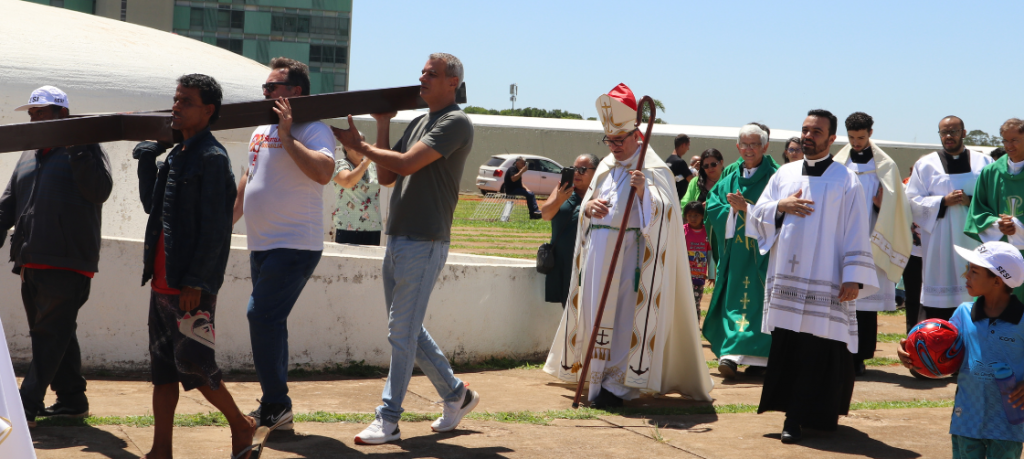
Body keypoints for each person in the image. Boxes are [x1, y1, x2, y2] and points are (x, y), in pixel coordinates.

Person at [332, 53, 479, 445]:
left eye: (431, 73)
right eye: (423, 71)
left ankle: (389, 418)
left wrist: (360, 143)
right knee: (406, 330)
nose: (422, 77)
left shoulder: (455, 122)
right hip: (399, 237)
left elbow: (408, 164)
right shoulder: (418, 122)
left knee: (402, 331)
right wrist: (382, 125)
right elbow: (386, 175)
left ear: (453, 82)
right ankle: (456, 394)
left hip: (425, 239)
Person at [543, 83, 713, 409]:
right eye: (609, 140)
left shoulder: (654, 169)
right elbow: (589, 209)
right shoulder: (605, 168)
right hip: (598, 257)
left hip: (633, 259)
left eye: (619, 140)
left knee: (623, 320)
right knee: (596, 314)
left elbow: (664, 215)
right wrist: (589, 210)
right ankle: (593, 376)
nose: (614, 147)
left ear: (637, 134)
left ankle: (619, 385)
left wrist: (642, 192)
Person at [133, 74, 256, 459]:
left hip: (188, 287)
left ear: (208, 110)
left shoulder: (212, 159)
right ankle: (160, 450)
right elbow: (154, 208)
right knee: (164, 372)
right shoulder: (178, 154)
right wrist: (147, 163)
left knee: (198, 367)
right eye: (175, 99)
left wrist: (198, 282)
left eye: (186, 101)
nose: (176, 106)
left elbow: (216, 230)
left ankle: (242, 425)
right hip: (161, 283)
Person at [747, 109, 879, 443]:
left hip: (827, 278)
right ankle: (791, 416)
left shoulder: (846, 179)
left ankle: (819, 412)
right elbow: (758, 216)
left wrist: (853, 277)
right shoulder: (784, 174)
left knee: (820, 348)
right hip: (788, 278)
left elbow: (856, 231)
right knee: (790, 344)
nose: (808, 136)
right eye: (805, 130)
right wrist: (780, 207)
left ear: (832, 138)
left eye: (816, 131)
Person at [232, 57, 337, 433]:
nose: (265, 93)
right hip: (261, 245)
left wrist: (289, 134)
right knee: (271, 322)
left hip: (295, 245)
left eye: (271, 87)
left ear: (295, 92)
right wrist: (224, 223)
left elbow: (324, 172)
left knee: (260, 316)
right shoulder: (261, 129)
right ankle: (277, 408)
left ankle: (276, 403)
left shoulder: (314, 129)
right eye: (265, 87)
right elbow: (250, 176)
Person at [0, 86, 112, 428]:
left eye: (41, 114)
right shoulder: (29, 154)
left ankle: (24, 409)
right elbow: (8, 205)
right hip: (30, 260)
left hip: (67, 261)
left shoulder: (86, 146)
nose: (34, 120)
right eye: (32, 115)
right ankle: (72, 399)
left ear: (63, 115)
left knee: (48, 336)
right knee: (55, 332)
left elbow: (100, 190)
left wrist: (76, 145)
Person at [897, 242, 1024, 459]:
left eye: (974, 271)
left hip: (1008, 424)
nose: (966, 275)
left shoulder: (1021, 319)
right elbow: (942, 349)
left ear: (997, 280)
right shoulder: (963, 313)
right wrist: (913, 354)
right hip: (967, 419)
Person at [834, 112, 913, 376]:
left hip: (871, 235)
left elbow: (897, 205)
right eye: (852, 138)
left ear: (870, 133)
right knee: (841, 297)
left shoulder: (885, 165)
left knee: (865, 300)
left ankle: (861, 356)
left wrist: (882, 206)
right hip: (843, 234)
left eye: (861, 137)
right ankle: (840, 352)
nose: (856, 143)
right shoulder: (838, 162)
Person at [703, 124, 779, 379]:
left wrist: (748, 209)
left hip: (764, 253)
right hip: (736, 252)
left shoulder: (776, 176)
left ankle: (762, 357)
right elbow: (713, 206)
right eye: (744, 145)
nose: (748, 150)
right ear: (737, 147)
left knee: (759, 300)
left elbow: (783, 211)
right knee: (735, 297)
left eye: (754, 144)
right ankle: (732, 355)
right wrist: (732, 211)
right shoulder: (730, 177)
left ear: (765, 147)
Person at [907, 116, 992, 323]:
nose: (948, 136)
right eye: (944, 132)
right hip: (939, 243)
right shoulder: (926, 165)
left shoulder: (984, 162)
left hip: (972, 239)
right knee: (939, 304)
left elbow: (993, 199)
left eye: (953, 132)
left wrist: (969, 200)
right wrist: (942, 202)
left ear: (963, 133)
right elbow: (912, 201)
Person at [966, 118, 1024, 305]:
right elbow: (977, 212)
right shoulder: (990, 172)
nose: (1009, 146)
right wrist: (998, 224)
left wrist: (1017, 227)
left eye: (1014, 140)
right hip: (998, 253)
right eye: (1005, 141)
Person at [540, 154, 599, 305]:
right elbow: (546, 215)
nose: (577, 173)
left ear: (596, 171)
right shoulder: (562, 189)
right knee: (567, 307)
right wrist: (559, 199)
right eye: (574, 169)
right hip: (561, 261)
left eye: (583, 169)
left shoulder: (599, 194)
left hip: (586, 261)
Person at [331, 134, 383, 246]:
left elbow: (391, 182)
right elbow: (348, 181)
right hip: (348, 227)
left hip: (372, 227)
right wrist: (369, 157)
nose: (361, 147)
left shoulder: (373, 166)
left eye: (363, 144)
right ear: (347, 147)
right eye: (357, 144)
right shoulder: (340, 165)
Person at [683, 201, 710, 319]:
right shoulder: (682, 231)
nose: (692, 218)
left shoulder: (707, 232)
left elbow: (709, 253)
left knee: (695, 303)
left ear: (703, 216)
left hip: (698, 276)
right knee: (682, 302)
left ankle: (694, 327)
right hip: (683, 275)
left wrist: (712, 274)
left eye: (696, 215)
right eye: (689, 215)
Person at [664, 133, 694, 198]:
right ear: (683, 145)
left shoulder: (668, 160)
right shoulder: (680, 162)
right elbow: (692, 181)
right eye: (688, 146)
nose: (688, 149)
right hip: (678, 199)